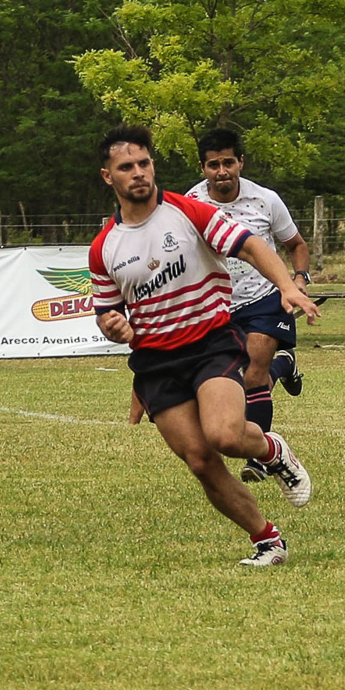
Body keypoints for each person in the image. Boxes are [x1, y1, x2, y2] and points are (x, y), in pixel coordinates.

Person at [89, 125, 319, 567]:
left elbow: (251, 246)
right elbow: (107, 312)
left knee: (225, 435)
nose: (138, 173)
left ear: (153, 166)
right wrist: (112, 326)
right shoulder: (104, 248)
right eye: (126, 167)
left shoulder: (188, 211)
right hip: (156, 362)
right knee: (200, 460)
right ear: (108, 176)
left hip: (210, 343)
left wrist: (288, 286)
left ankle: (272, 451)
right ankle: (268, 541)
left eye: (144, 163)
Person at [186, 129, 310, 484]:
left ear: (241, 162)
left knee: (254, 373)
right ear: (203, 168)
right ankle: (284, 365)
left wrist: (298, 280)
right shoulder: (190, 204)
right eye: (213, 165)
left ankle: (259, 458)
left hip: (264, 297)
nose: (221, 171)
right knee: (233, 380)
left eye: (228, 162)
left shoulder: (266, 200)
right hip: (216, 305)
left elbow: (296, 244)